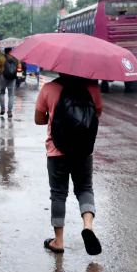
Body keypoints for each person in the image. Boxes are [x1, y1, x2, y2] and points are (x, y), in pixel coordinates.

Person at [35, 74, 104, 256]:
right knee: (85, 189)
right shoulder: (92, 88)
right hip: (83, 149)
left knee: (58, 193)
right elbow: (97, 113)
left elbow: (38, 119)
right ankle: (88, 226)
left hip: (57, 150)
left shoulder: (49, 88)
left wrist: (53, 113)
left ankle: (58, 241)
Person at [0, 47, 18, 118]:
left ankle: (3, 108)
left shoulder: (1, 57)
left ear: (5, 50)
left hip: (3, 77)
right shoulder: (16, 57)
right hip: (12, 78)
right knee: (11, 95)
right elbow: (19, 67)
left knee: (2, 93)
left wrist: (0, 74)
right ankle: (9, 112)